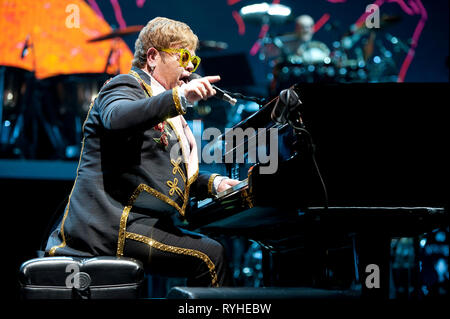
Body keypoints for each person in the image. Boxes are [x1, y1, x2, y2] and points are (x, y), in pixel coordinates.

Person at [45, 17, 240, 287]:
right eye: (183, 57)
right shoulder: (125, 85)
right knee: (210, 255)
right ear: (152, 57)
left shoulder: (168, 111)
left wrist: (215, 183)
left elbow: (167, 172)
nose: (189, 68)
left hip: (139, 222)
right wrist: (179, 98)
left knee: (212, 249)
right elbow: (116, 117)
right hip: (110, 226)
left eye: (193, 62)